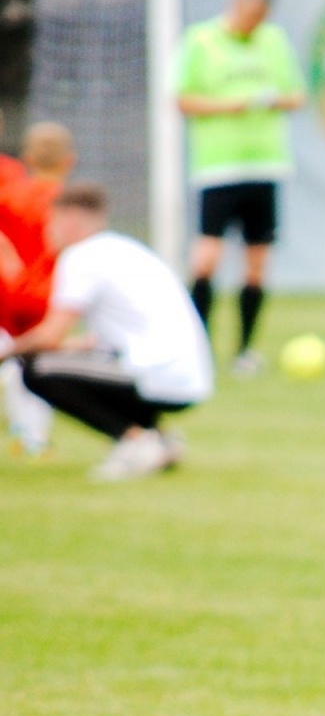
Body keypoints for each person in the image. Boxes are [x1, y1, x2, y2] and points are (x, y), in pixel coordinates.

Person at [0, 183, 212, 481]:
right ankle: (159, 437)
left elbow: (49, 336)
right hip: (186, 374)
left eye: (52, 221)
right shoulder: (123, 249)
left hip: (155, 372)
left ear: (71, 218)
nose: (48, 231)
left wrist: (6, 352)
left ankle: (135, 441)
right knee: (70, 364)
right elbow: (94, 342)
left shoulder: (82, 256)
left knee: (37, 369)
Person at [173, 0, 305, 377]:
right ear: (235, 5)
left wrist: (267, 99)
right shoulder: (201, 41)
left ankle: (245, 350)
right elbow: (183, 98)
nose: (251, 20)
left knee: (256, 265)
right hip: (218, 167)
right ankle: (198, 347)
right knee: (207, 259)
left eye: (259, 15)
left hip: (265, 164)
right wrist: (229, 106)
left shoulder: (273, 41)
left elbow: (296, 95)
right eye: (246, 11)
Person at [0, 121, 74, 456]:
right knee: (37, 363)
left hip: (9, 290)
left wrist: (11, 267)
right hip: (46, 292)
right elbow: (59, 243)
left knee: (14, 356)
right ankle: (34, 437)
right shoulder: (66, 202)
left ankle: (20, 428)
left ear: (27, 159)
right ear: (69, 161)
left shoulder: (10, 193)